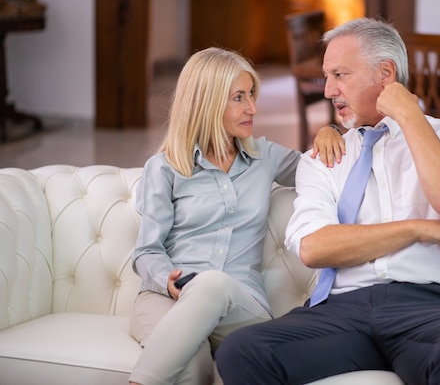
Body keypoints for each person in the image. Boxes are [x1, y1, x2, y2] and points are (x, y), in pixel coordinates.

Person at [215, 18, 440, 385]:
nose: (328, 89)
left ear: (386, 74)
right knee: (241, 349)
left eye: (340, 74)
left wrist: (409, 114)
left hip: (431, 307)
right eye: (327, 75)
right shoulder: (324, 156)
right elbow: (314, 248)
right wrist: (417, 229)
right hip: (343, 311)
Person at [128, 47, 344, 385]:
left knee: (211, 283)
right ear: (208, 103)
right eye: (239, 98)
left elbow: (322, 171)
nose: (253, 108)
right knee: (191, 368)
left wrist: (328, 131)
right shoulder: (164, 168)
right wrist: (166, 279)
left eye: (251, 95)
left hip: (242, 306)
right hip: (166, 298)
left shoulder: (266, 156)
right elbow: (146, 250)